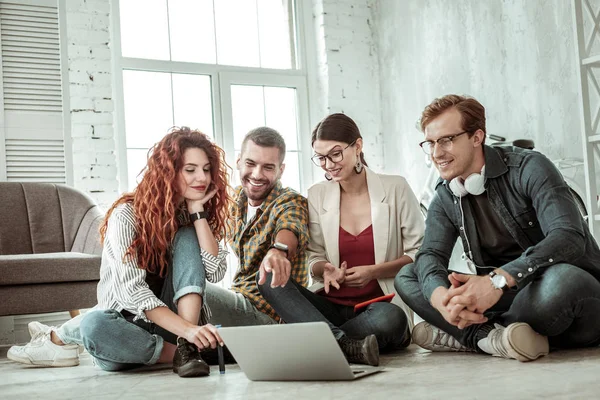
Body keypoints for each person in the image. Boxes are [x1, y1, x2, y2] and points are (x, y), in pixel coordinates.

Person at [8, 127, 231, 377]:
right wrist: (190, 332)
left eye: (206, 169)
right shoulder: (126, 216)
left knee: (188, 234)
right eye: (190, 169)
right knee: (94, 325)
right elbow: (133, 293)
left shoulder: (190, 217)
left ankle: (187, 348)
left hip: (176, 326)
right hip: (127, 331)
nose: (201, 178)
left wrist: (198, 213)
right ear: (168, 172)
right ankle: (184, 352)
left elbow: (215, 270)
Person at [395, 94, 600, 362]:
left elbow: (568, 237)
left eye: (446, 140)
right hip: (507, 299)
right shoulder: (446, 195)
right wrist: (441, 300)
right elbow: (430, 255)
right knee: (409, 274)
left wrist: (497, 281)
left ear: (477, 137)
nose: (436, 153)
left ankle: (471, 335)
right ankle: (490, 338)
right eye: (430, 143)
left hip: (563, 292)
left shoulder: (530, 167)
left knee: (562, 280)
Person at [258, 113, 424, 366]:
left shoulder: (395, 188)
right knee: (269, 277)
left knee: (390, 320)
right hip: (332, 306)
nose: (328, 164)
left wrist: (373, 272)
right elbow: (315, 255)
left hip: (380, 306)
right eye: (321, 158)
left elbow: (419, 254)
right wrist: (324, 269)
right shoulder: (317, 194)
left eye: (335, 154)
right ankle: (343, 344)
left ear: (357, 146)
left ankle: (318, 339)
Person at [201, 127, 310, 327]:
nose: (257, 175)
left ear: (281, 170)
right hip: (238, 300)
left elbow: (291, 225)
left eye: (268, 167)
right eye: (250, 164)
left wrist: (279, 251)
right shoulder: (234, 201)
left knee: (191, 289)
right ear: (239, 162)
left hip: (269, 316)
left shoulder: (289, 201)